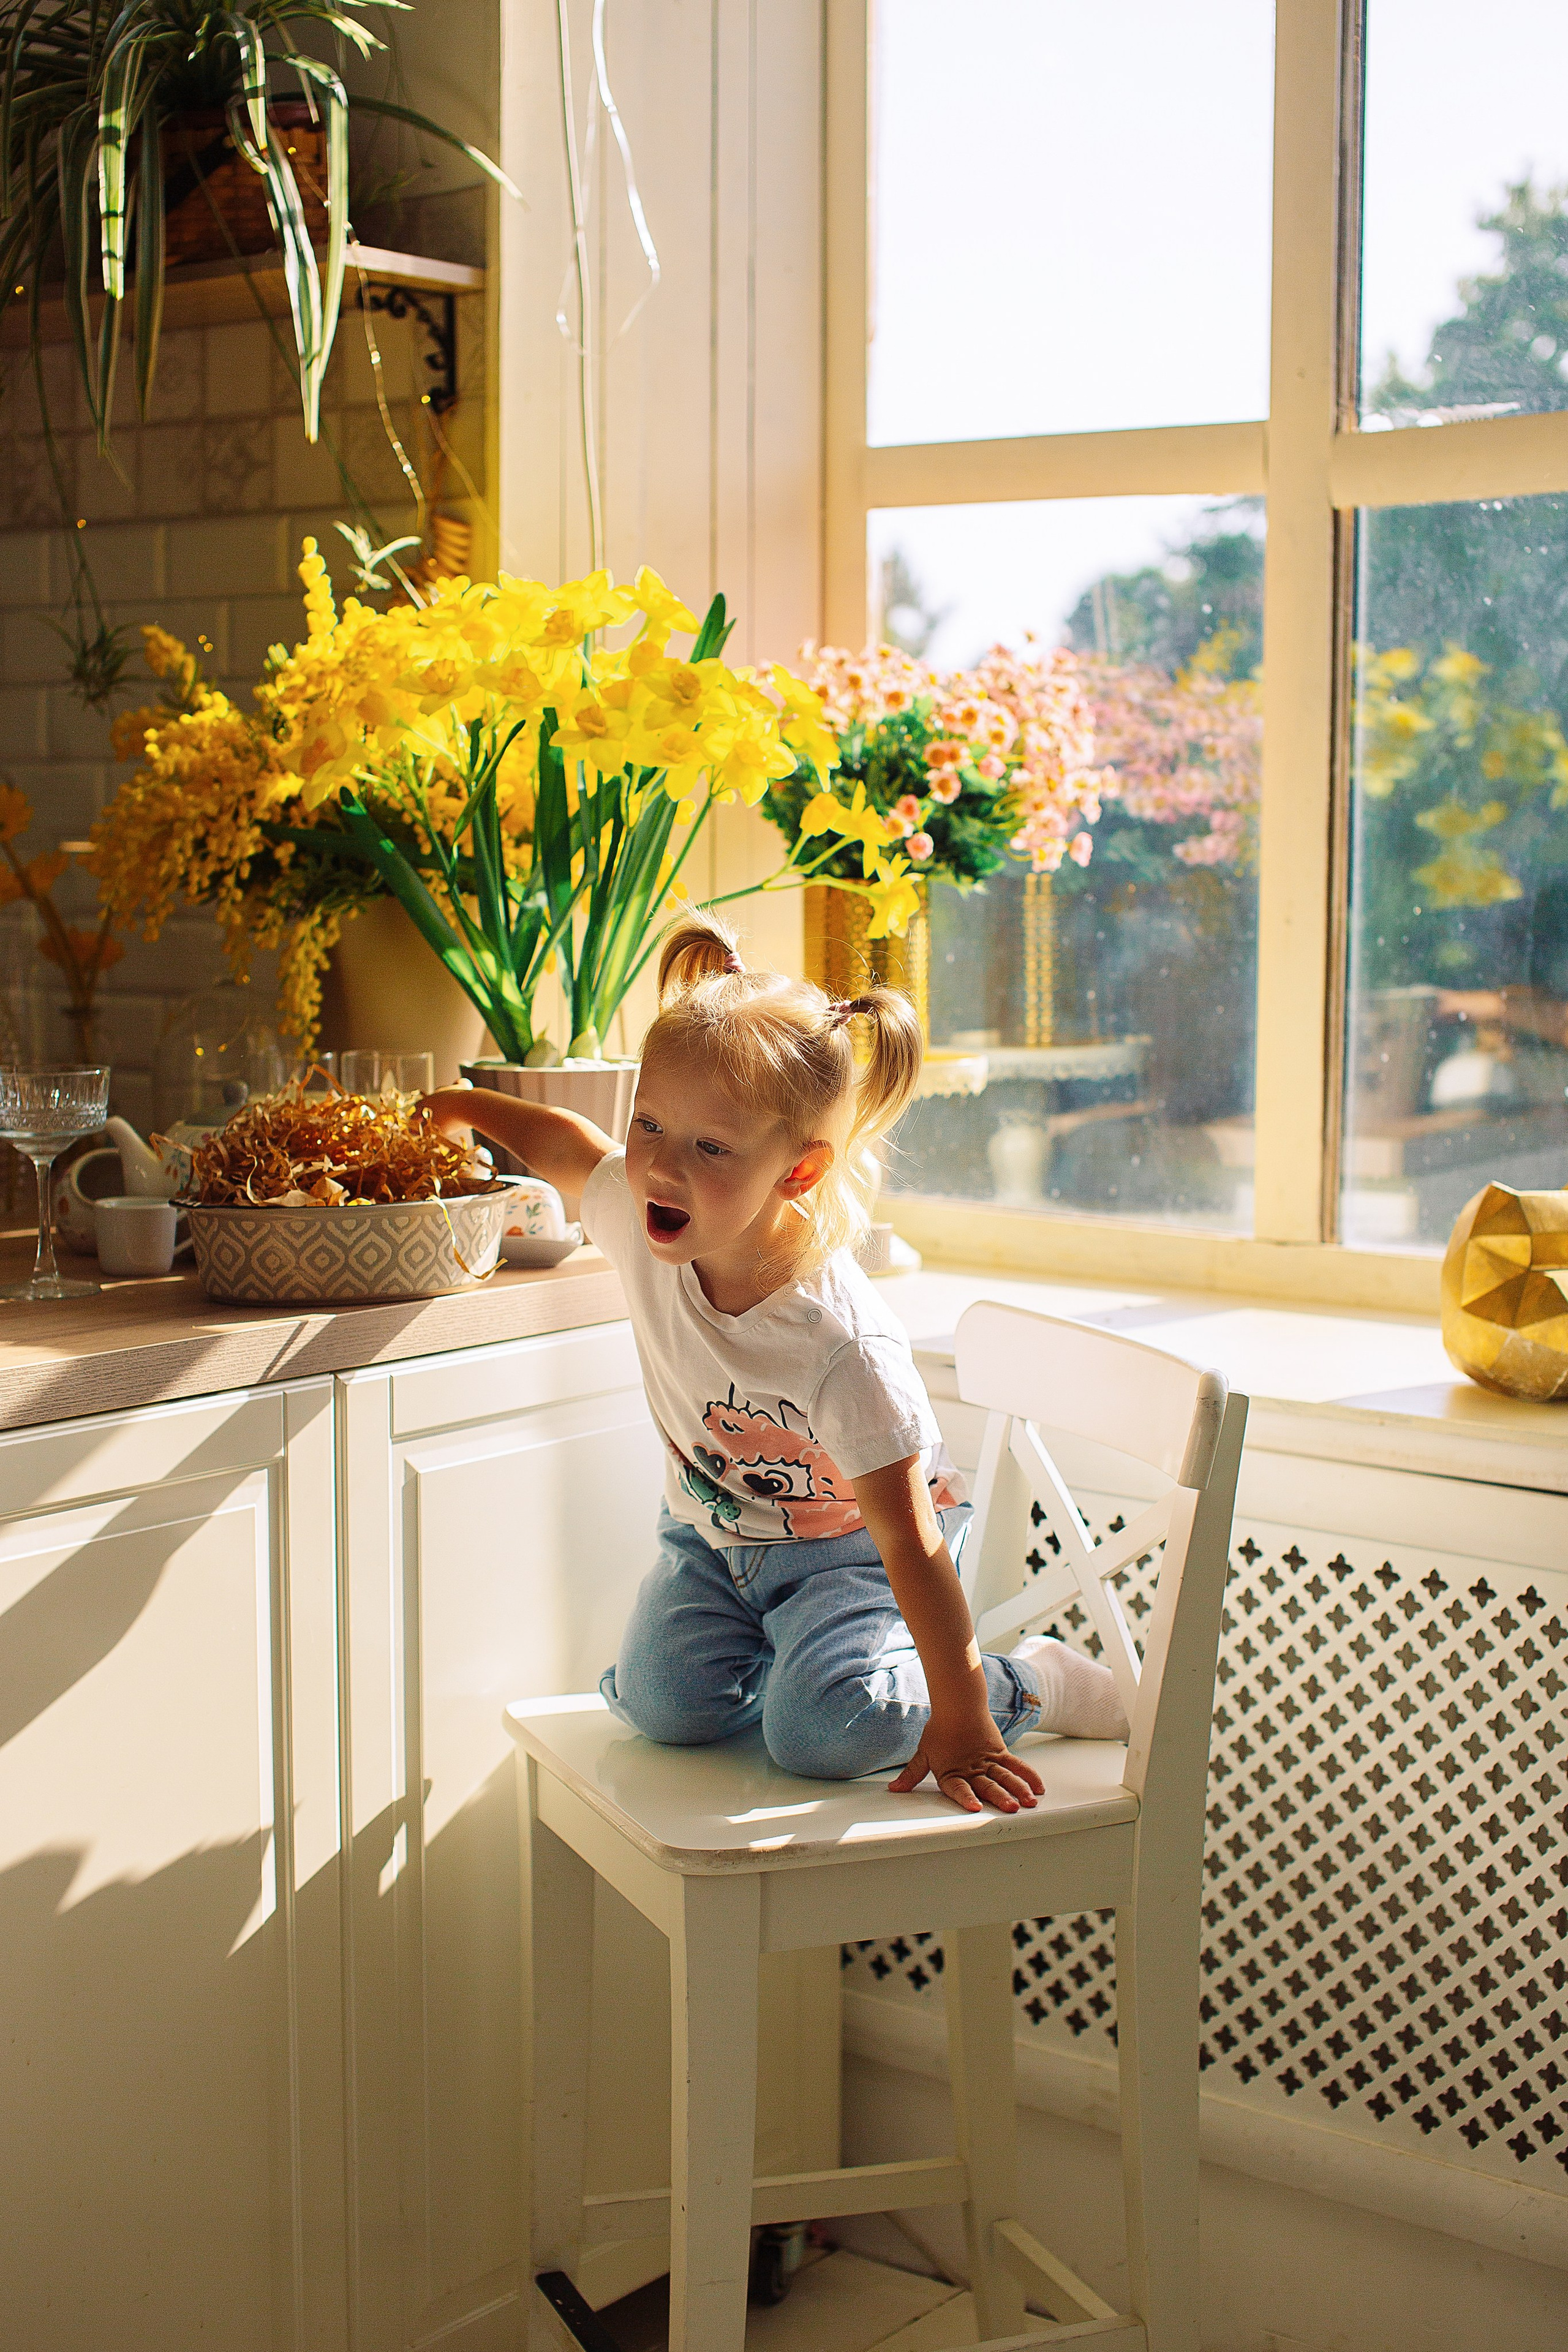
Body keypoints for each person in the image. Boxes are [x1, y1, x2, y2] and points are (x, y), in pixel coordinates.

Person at [423, 908, 1126, 1814]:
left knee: (820, 1736)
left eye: (710, 1147)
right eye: (650, 1125)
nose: (659, 1170)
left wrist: (958, 1714)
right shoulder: (643, 1223)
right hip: (715, 1538)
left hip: (854, 1556)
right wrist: (455, 1107)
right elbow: (571, 1148)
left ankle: (1029, 1683)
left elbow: (911, 1546)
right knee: (662, 1709)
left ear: (800, 1171)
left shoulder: (839, 1347)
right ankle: (792, 1658)